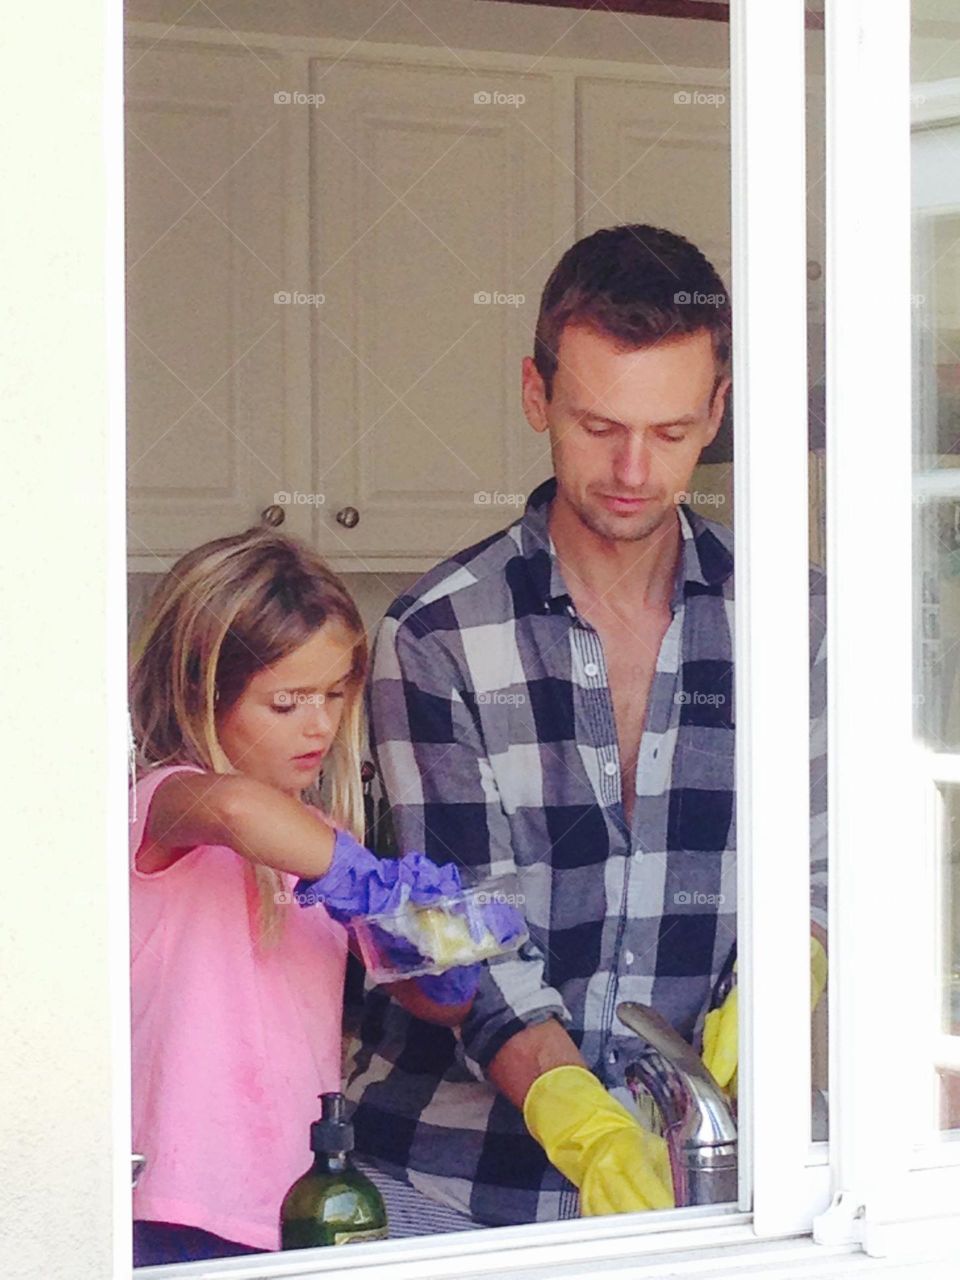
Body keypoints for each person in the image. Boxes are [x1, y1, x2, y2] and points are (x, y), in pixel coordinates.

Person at [344, 224, 828, 1229]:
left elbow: (822, 877)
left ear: (717, 411)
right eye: (600, 425)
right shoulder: (437, 635)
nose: (635, 468)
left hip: (707, 1180)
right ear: (537, 396)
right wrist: (590, 1127)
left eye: (672, 430)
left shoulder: (798, 621)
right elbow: (454, 933)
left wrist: (771, 1003)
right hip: (454, 1181)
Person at [127, 527, 482, 1265]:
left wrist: (440, 953)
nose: (320, 725)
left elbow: (436, 1005)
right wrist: (363, 878)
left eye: (334, 693)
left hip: (299, 1208)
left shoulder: (313, 838)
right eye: (285, 701)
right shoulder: (168, 804)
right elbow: (237, 812)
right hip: (174, 1207)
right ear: (200, 689)